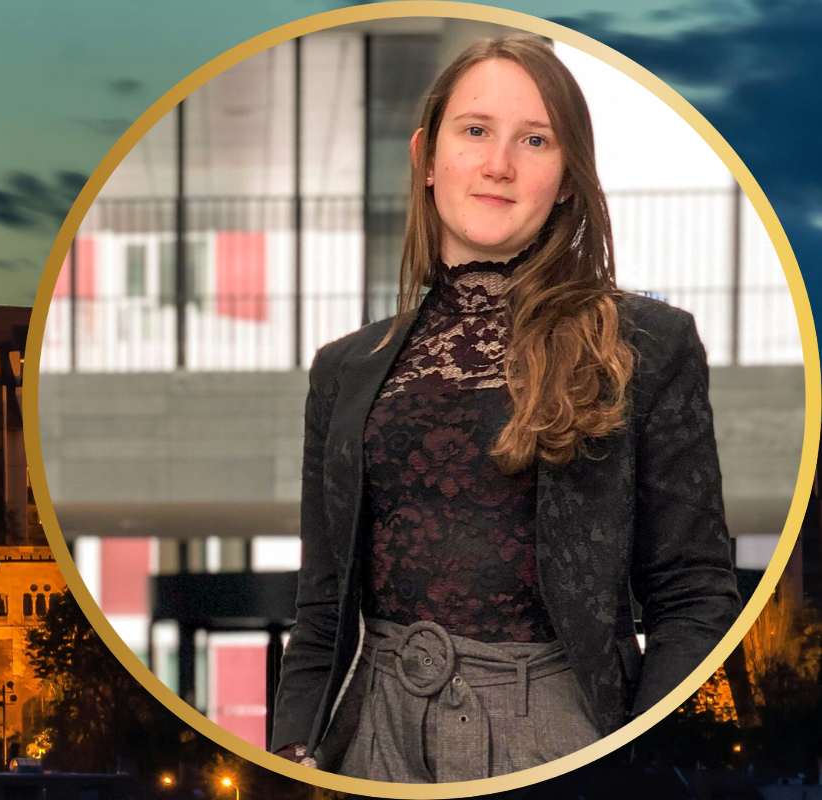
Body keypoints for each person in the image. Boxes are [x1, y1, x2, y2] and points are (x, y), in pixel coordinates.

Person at [268, 34, 740, 782]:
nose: (499, 163)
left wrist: (634, 753)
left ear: (568, 176)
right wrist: (292, 746)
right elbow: (322, 603)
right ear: (428, 156)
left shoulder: (650, 343)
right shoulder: (341, 369)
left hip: (558, 730)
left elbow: (693, 591)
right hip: (374, 733)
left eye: (535, 139)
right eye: (476, 130)